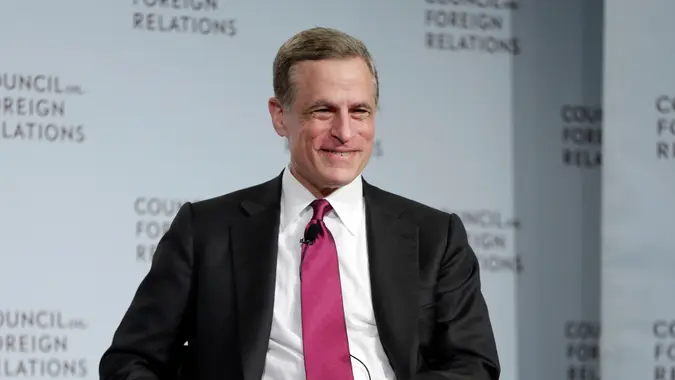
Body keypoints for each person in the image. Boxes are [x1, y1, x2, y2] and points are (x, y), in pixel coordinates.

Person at [99, 27, 500, 380]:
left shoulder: (434, 236)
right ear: (280, 116)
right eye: (323, 111)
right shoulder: (205, 231)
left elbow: (472, 365)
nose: (344, 132)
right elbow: (131, 361)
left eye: (359, 111)